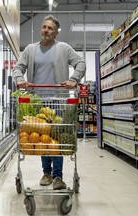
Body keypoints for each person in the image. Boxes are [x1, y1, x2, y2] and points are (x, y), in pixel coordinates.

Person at [12, 15, 86, 190]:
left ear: (56, 33)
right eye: (44, 27)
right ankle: (46, 172)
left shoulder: (63, 48)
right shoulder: (30, 50)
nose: (46, 30)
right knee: (42, 139)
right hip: (37, 102)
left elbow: (80, 63)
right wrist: (19, 79)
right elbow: (18, 68)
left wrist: (74, 79)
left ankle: (58, 176)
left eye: (50, 28)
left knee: (57, 140)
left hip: (57, 101)